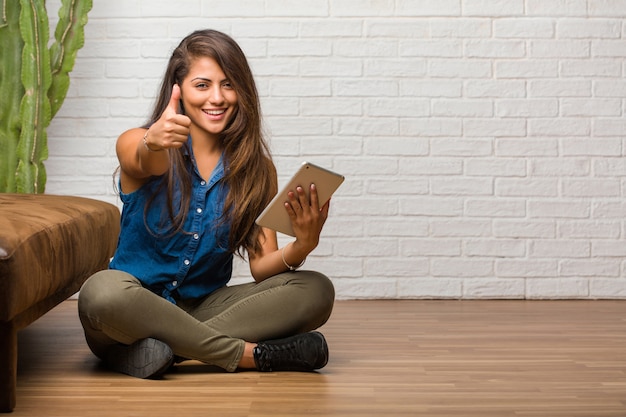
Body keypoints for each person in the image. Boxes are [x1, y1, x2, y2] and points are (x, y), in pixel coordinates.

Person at [78, 29, 335, 379]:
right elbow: (145, 159)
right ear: (178, 89)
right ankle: (250, 355)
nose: (217, 97)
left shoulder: (257, 169)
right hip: (129, 307)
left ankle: (161, 352)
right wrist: (154, 142)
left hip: (204, 308)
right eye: (202, 85)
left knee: (316, 289)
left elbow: (262, 267)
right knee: (101, 292)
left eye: (228, 84)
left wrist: (303, 244)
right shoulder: (140, 142)